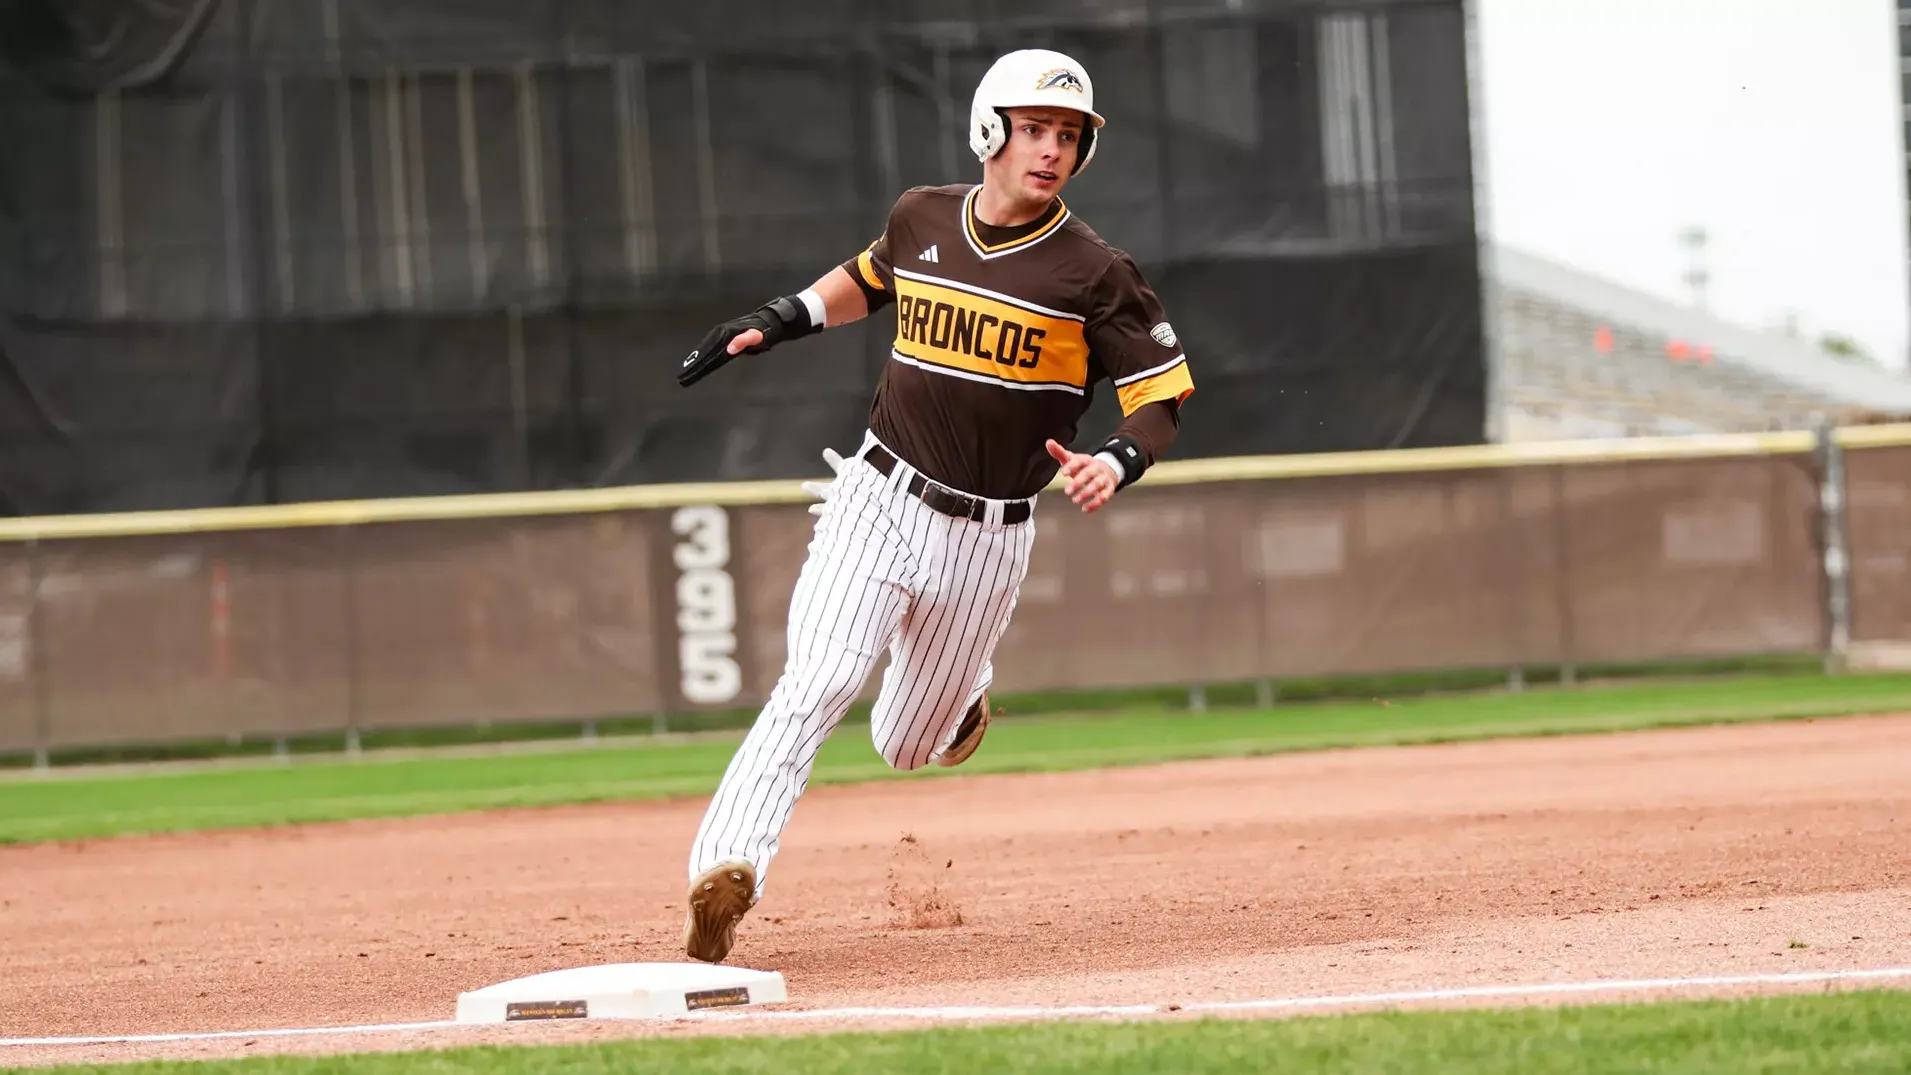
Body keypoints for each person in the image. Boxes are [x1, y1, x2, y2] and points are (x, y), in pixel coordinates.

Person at [673, 47, 1195, 964]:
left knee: (905, 746)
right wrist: (778, 317)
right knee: (819, 679)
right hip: (878, 493)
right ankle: (726, 867)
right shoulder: (921, 215)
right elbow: (869, 278)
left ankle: (962, 696)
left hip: (989, 535)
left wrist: (1117, 459)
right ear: (990, 129)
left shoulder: (1094, 271)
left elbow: (1161, 393)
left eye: (1068, 135)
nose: (1051, 149)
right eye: (1033, 129)